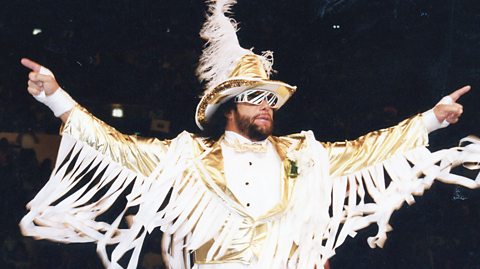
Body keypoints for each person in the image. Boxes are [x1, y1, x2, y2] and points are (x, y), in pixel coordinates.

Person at [18, 1, 479, 269]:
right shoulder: (187, 158)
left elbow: (368, 151)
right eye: (256, 98)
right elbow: (114, 146)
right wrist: (57, 98)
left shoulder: (307, 155)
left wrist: (432, 119)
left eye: (271, 101)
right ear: (227, 107)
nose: (266, 107)